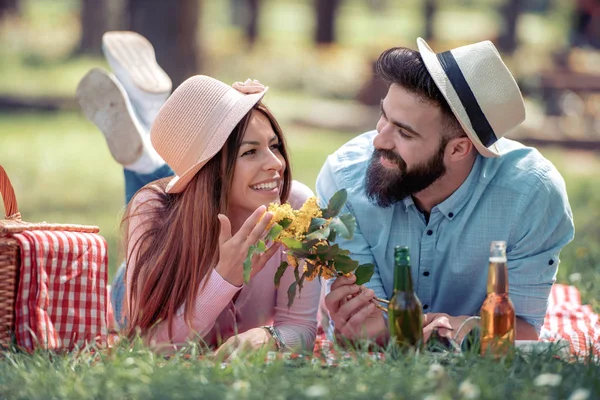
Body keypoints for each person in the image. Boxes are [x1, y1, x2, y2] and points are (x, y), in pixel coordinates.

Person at [76, 31, 321, 354]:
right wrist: (225, 277)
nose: (276, 163)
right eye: (250, 152)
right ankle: (149, 129)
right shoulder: (151, 210)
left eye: (274, 145)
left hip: (196, 190)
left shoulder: (297, 207)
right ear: (211, 171)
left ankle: (148, 137)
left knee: (169, 182)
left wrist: (271, 338)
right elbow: (148, 344)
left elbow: (301, 328)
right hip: (135, 291)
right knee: (161, 199)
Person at [319, 38, 575, 345]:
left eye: (404, 132)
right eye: (385, 116)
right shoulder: (344, 179)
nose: (379, 140)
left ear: (458, 149)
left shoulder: (532, 195)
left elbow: (523, 331)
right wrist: (378, 328)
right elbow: (367, 326)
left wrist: (458, 328)